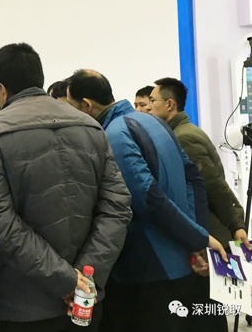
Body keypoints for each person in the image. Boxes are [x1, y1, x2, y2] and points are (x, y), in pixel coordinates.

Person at [0, 43, 132, 332]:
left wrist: (66, 280)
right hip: (86, 299)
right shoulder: (90, 125)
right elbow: (118, 207)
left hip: (25, 302)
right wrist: (84, 278)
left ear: (1, 89)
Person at [66, 69, 228, 332]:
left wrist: (198, 239)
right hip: (184, 260)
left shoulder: (114, 135)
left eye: (72, 107)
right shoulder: (153, 122)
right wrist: (197, 235)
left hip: (154, 270)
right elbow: (194, 179)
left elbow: (149, 198)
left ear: (86, 105)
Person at [150, 77, 251, 332]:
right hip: (206, 231)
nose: (149, 108)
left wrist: (236, 224)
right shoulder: (181, 133)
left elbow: (213, 186)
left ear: (170, 104)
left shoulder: (184, 138)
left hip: (208, 232)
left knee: (205, 312)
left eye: (152, 101)